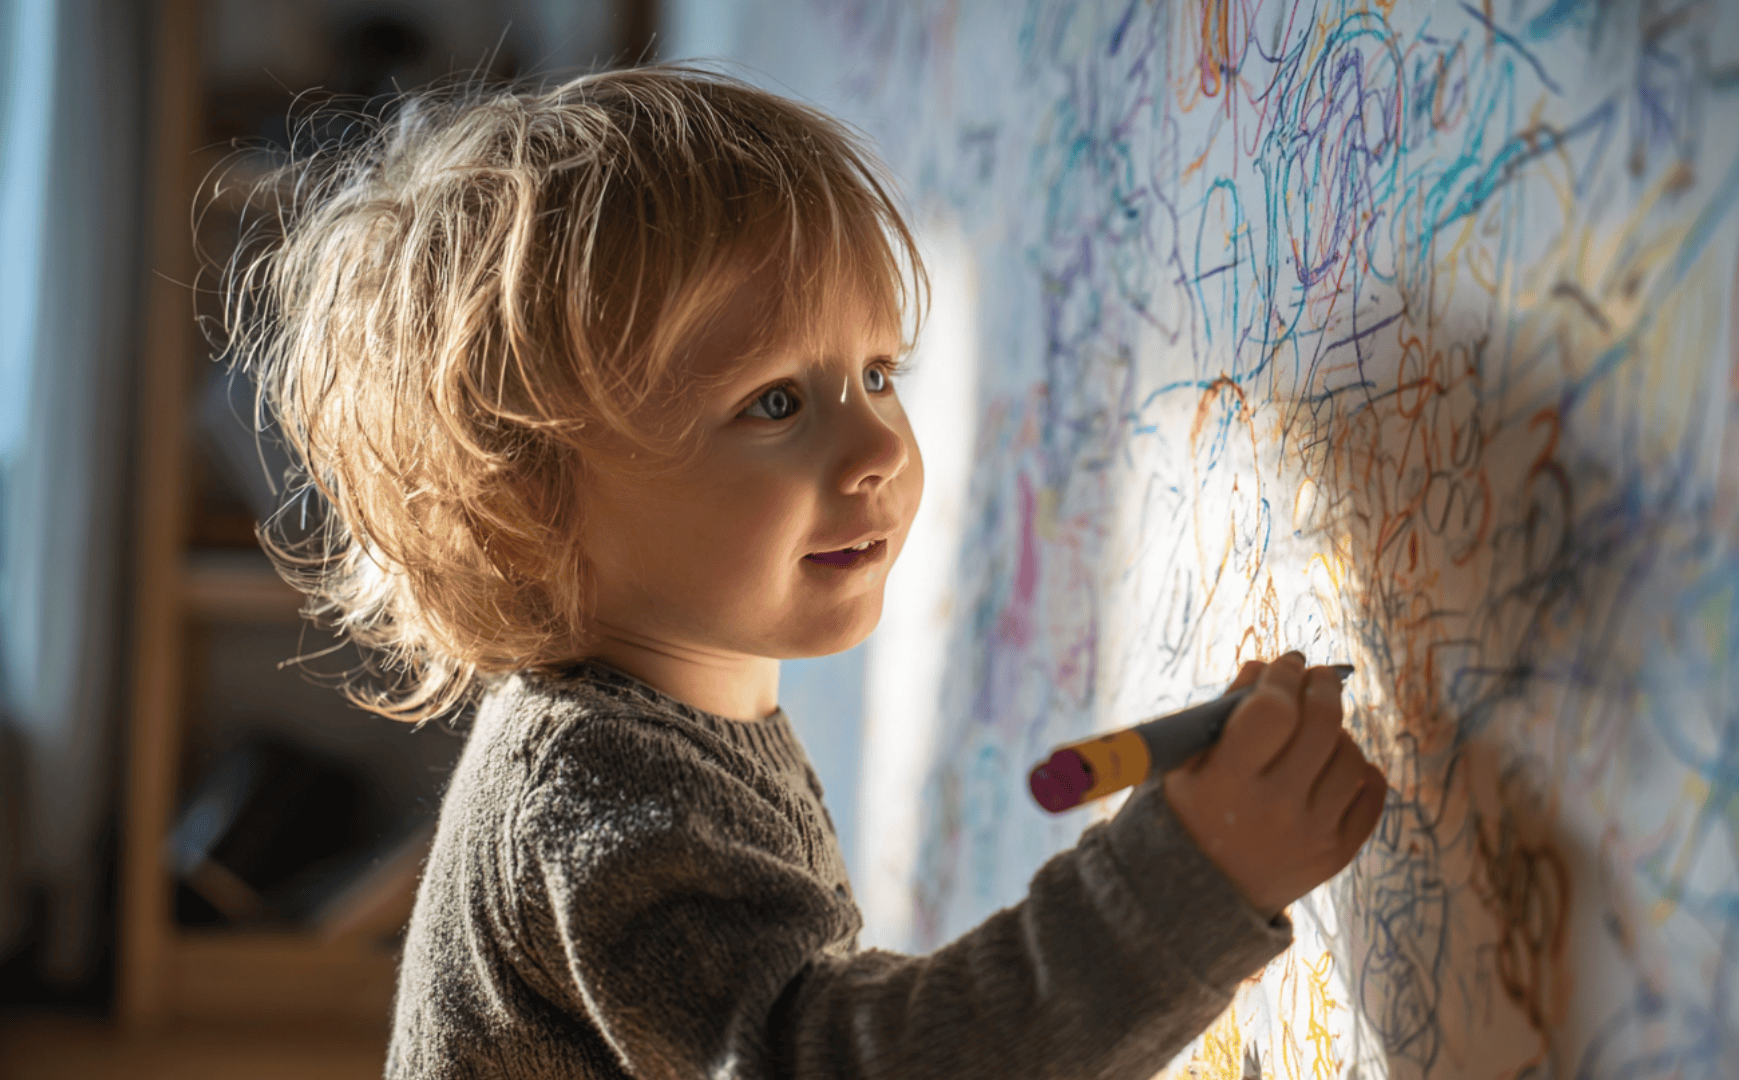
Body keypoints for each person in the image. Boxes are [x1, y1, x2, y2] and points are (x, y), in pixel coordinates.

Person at [226, 64, 1389, 1080]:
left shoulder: (665, 727)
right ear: (529, 505)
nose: (881, 447)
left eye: (879, 373)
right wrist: (1184, 885)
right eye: (775, 403)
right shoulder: (596, 788)